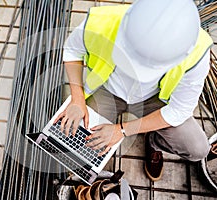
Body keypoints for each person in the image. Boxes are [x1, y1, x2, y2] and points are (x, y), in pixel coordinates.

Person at [55, 0, 214, 181]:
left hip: (155, 98)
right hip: (108, 89)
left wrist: (121, 130)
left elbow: (179, 110)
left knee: (197, 149)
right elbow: (72, 51)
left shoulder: (197, 53)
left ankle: (154, 141)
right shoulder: (102, 21)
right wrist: (77, 99)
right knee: (77, 142)